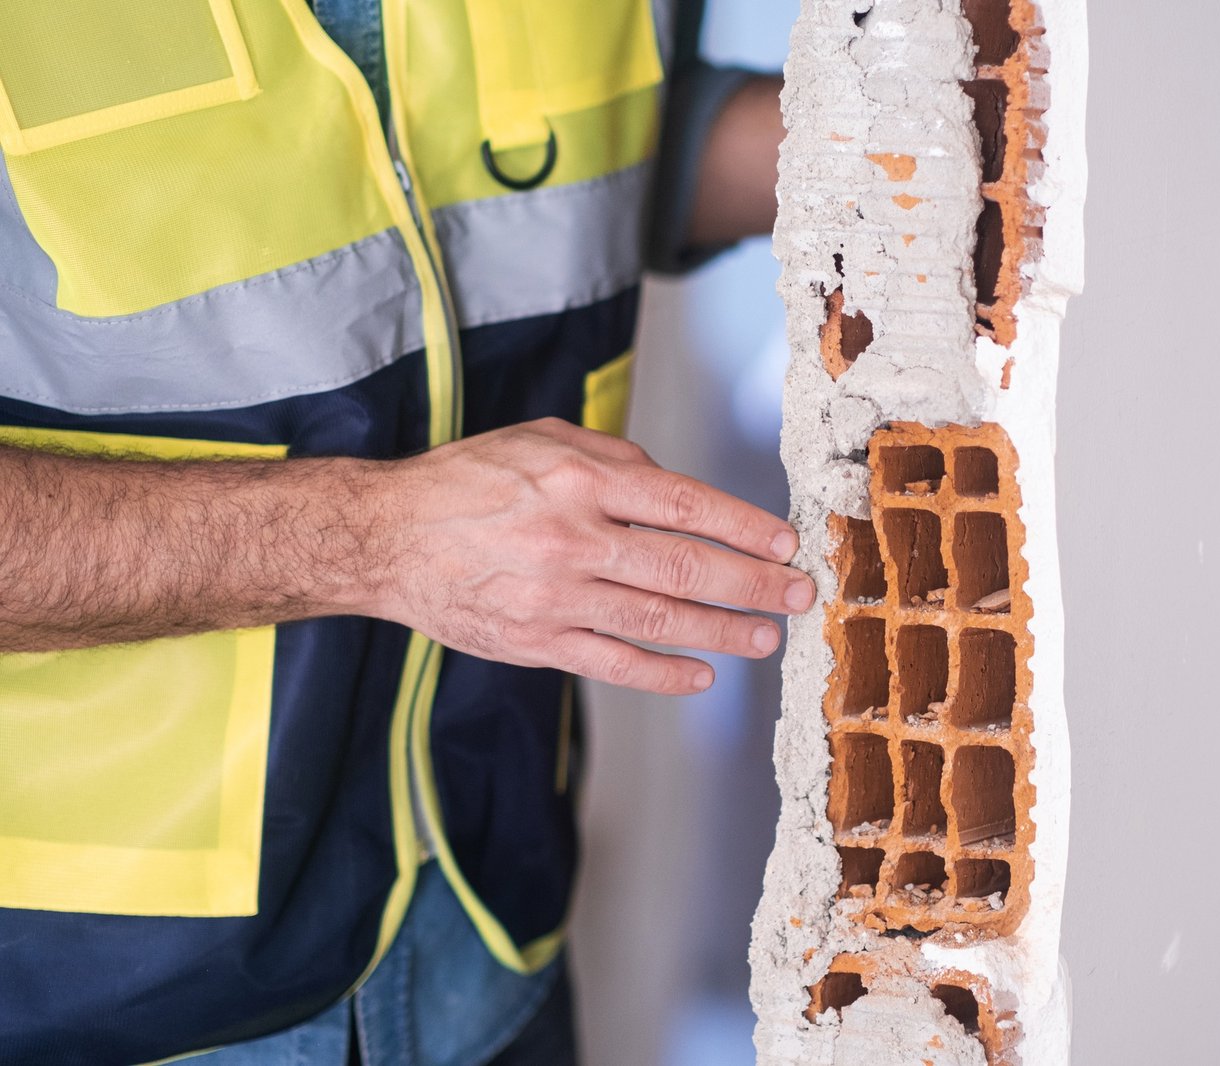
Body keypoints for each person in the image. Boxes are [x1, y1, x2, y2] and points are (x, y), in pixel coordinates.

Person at [0, 1, 803, 1063]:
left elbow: (605, 156)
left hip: (487, 932)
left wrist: (889, 145)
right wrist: (374, 538)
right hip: (98, 1002)